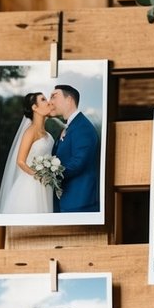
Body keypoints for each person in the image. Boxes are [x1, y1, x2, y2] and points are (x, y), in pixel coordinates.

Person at [0, 92, 55, 217]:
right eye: (43, 100)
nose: (48, 102)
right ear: (34, 107)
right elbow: (20, 161)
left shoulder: (48, 134)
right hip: (31, 185)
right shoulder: (30, 131)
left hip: (46, 184)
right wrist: (38, 175)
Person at [50, 85, 100, 214]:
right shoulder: (69, 126)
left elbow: (78, 163)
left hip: (78, 203)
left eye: (54, 96)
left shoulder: (83, 127)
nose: (50, 102)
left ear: (69, 99)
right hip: (66, 201)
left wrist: (50, 174)